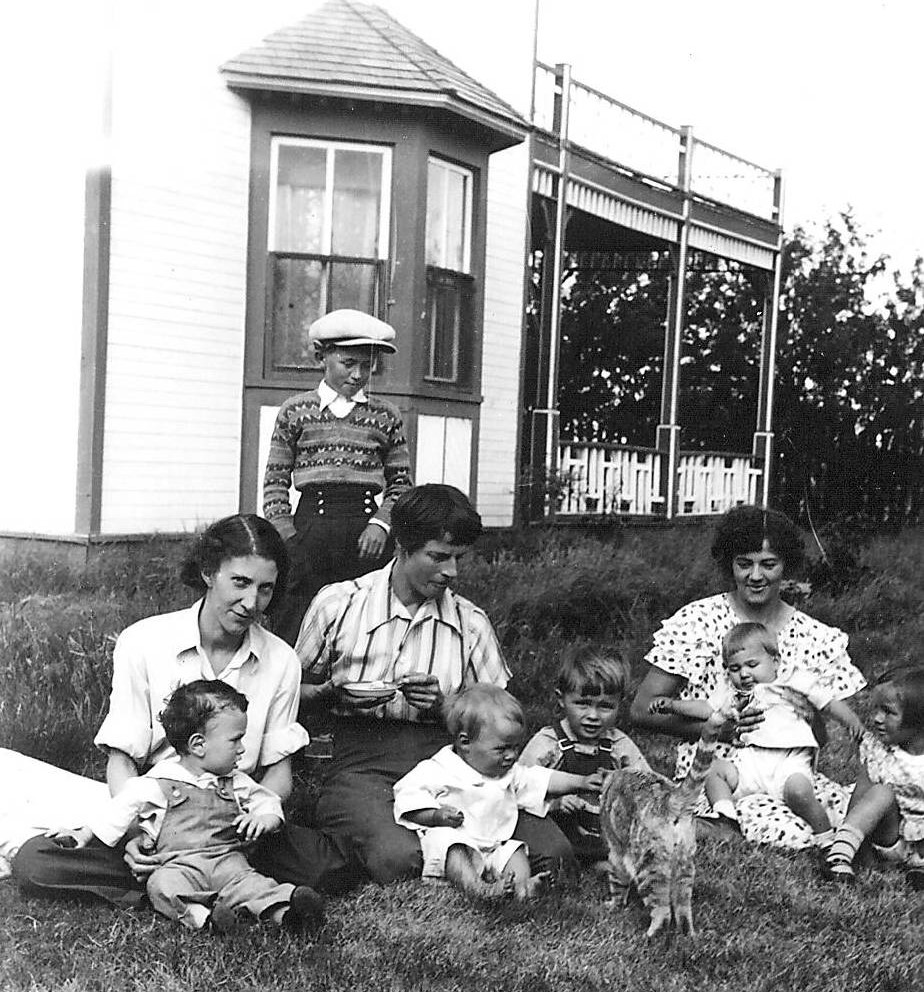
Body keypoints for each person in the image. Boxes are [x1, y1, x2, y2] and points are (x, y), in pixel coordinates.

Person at [12, 513, 359, 906]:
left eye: (265, 589)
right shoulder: (143, 641)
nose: (251, 603)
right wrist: (138, 835)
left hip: (235, 816)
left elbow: (278, 771)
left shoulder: (280, 660)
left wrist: (255, 821)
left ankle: (186, 882)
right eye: (240, 583)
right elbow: (122, 759)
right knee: (38, 861)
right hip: (161, 812)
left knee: (333, 865)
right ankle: (190, 878)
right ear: (209, 572)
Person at [296, 483, 576, 884]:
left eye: (459, 559)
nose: (452, 572)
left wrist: (445, 707)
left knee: (555, 853)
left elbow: (503, 719)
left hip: (453, 762)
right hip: (362, 761)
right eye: (439, 557)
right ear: (402, 545)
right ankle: (466, 861)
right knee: (397, 859)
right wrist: (327, 694)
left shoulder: (470, 623)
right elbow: (288, 694)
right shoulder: (339, 604)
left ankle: (468, 857)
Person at [630, 504, 866, 849]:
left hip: (785, 769)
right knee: (783, 830)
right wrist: (717, 728)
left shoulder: (814, 636)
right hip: (717, 770)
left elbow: (823, 730)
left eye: (768, 564)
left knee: (840, 814)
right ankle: (713, 820)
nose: (756, 576)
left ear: (787, 567)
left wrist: (806, 721)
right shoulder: (698, 620)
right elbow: (641, 710)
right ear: (730, 564)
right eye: (744, 563)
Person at [54, 680, 324, 933]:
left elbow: (267, 800)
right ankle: (204, 919)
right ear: (198, 745)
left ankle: (289, 913)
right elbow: (120, 807)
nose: (242, 749)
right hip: (179, 866)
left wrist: (266, 819)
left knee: (253, 885)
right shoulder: (159, 782)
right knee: (161, 886)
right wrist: (86, 833)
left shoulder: (235, 781)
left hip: (229, 862)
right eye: (236, 740)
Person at [263, 308, 412, 644]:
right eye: (348, 363)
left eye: (367, 364)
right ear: (322, 358)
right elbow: (274, 481)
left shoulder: (385, 415)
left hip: (364, 532)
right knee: (297, 617)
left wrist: (381, 524)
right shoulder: (296, 410)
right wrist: (287, 536)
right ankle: (296, 690)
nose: (359, 374)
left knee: (363, 618)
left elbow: (401, 483)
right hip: (308, 528)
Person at [649, 622, 864, 847]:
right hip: (751, 762)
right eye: (734, 668)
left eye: (752, 664)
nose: (744, 674)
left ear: (775, 662)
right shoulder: (735, 693)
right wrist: (673, 705)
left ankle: (827, 840)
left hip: (790, 761)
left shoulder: (792, 680)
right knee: (714, 770)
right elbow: (705, 708)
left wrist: (854, 724)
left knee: (800, 792)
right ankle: (726, 819)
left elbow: (828, 703)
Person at [392, 685, 601, 900]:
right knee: (448, 843)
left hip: (494, 845)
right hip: (457, 845)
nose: (511, 756)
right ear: (465, 743)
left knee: (515, 851)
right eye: (501, 749)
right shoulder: (439, 768)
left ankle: (521, 887)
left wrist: (582, 782)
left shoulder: (506, 772)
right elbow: (408, 796)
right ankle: (478, 889)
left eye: (515, 748)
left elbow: (542, 779)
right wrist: (435, 816)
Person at [520, 648, 650, 867]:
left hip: (602, 834)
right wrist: (554, 803)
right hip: (556, 830)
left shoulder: (619, 745)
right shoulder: (548, 743)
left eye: (606, 707)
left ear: (620, 704)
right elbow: (519, 787)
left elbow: (647, 786)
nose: (593, 716)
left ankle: (600, 862)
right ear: (561, 699)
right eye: (582, 703)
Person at [822, 666, 924, 887]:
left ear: (918, 719)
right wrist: (863, 854)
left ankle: (919, 870)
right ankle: (840, 854)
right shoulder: (879, 752)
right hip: (892, 839)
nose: (876, 718)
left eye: (887, 711)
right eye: (875, 709)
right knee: (880, 792)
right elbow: (860, 797)